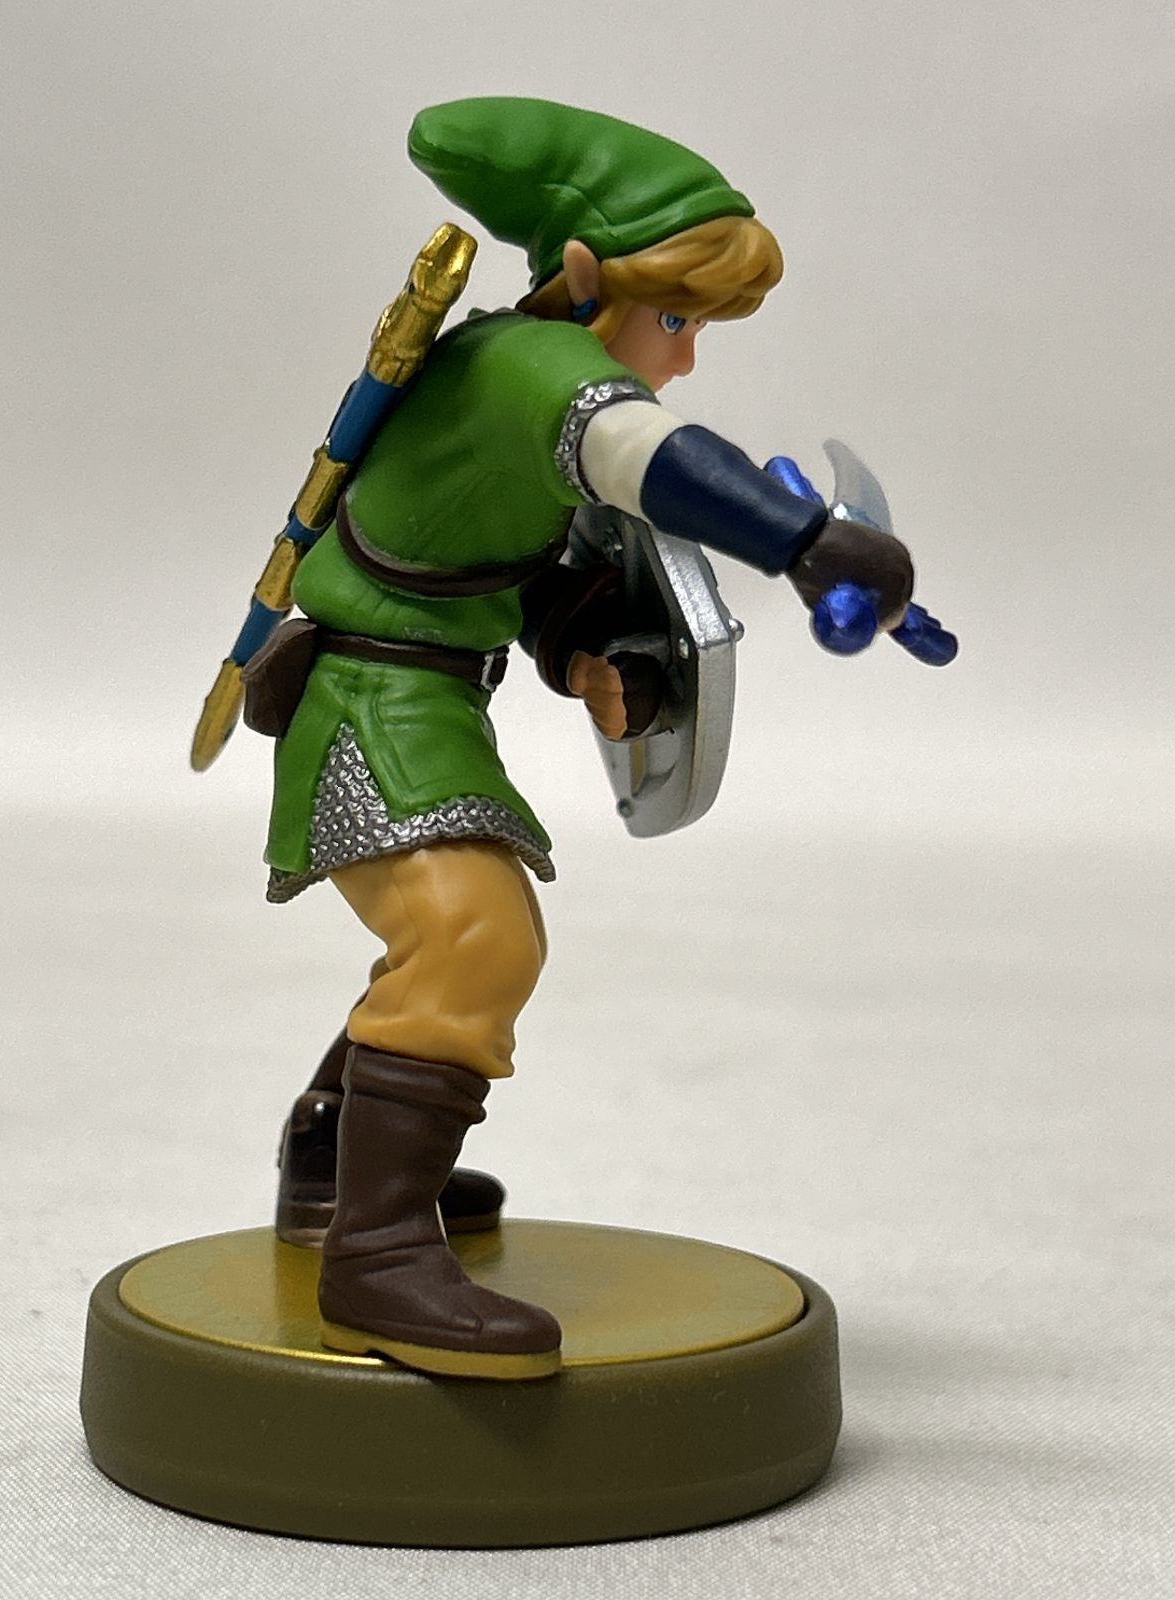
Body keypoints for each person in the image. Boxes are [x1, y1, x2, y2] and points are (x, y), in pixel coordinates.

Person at [268, 97, 915, 1380]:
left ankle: (333, 1166)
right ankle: (375, 1257)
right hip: (371, 700)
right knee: (471, 936)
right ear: (580, 275)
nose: (686, 357)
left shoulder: (504, 372)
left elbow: (514, 563)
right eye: (674, 319)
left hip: (417, 688)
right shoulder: (534, 368)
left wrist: (583, 654)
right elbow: (643, 455)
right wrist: (806, 542)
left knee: (445, 940)